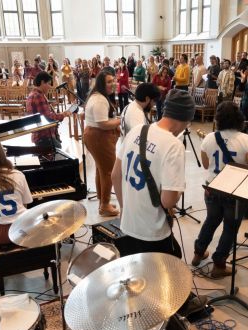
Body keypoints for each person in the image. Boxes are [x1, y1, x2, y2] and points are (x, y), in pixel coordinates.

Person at [111, 89, 195, 258]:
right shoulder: (173, 145)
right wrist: (178, 190)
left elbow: (115, 175)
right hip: (152, 232)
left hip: (127, 225)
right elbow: (168, 200)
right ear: (185, 119)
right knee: (164, 274)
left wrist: (124, 208)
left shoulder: (138, 130)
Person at [192, 102, 248, 277]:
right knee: (230, 227)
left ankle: (198, 253)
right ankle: (219, 264)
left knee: (211, 220)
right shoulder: (246, 139)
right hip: (235, 192)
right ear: (239, 118)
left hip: (212, 188)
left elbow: (206, 165)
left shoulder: (209, 138)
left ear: (218, 118)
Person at [84, 71, 120, 216]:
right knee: (108, 172)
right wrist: (120, 120)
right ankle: (104, 206)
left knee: (101, 170)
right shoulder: (100, 100)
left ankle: (102, 201)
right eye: (109, 82)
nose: (113, 84)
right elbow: (103, 123)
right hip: (99, 137)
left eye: (114, 81)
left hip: (95, 136)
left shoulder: (97, 96)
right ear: (101, 84)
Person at [26, 72, 71, 148]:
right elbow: (47, 117)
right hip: (44, 137)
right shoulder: (38, 96)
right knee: (59, 157)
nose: (50, 87)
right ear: (43, 82)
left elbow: (42, 113)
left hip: (40, 136)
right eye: (48, 84)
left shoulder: (33, 94)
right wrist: (63, 114)